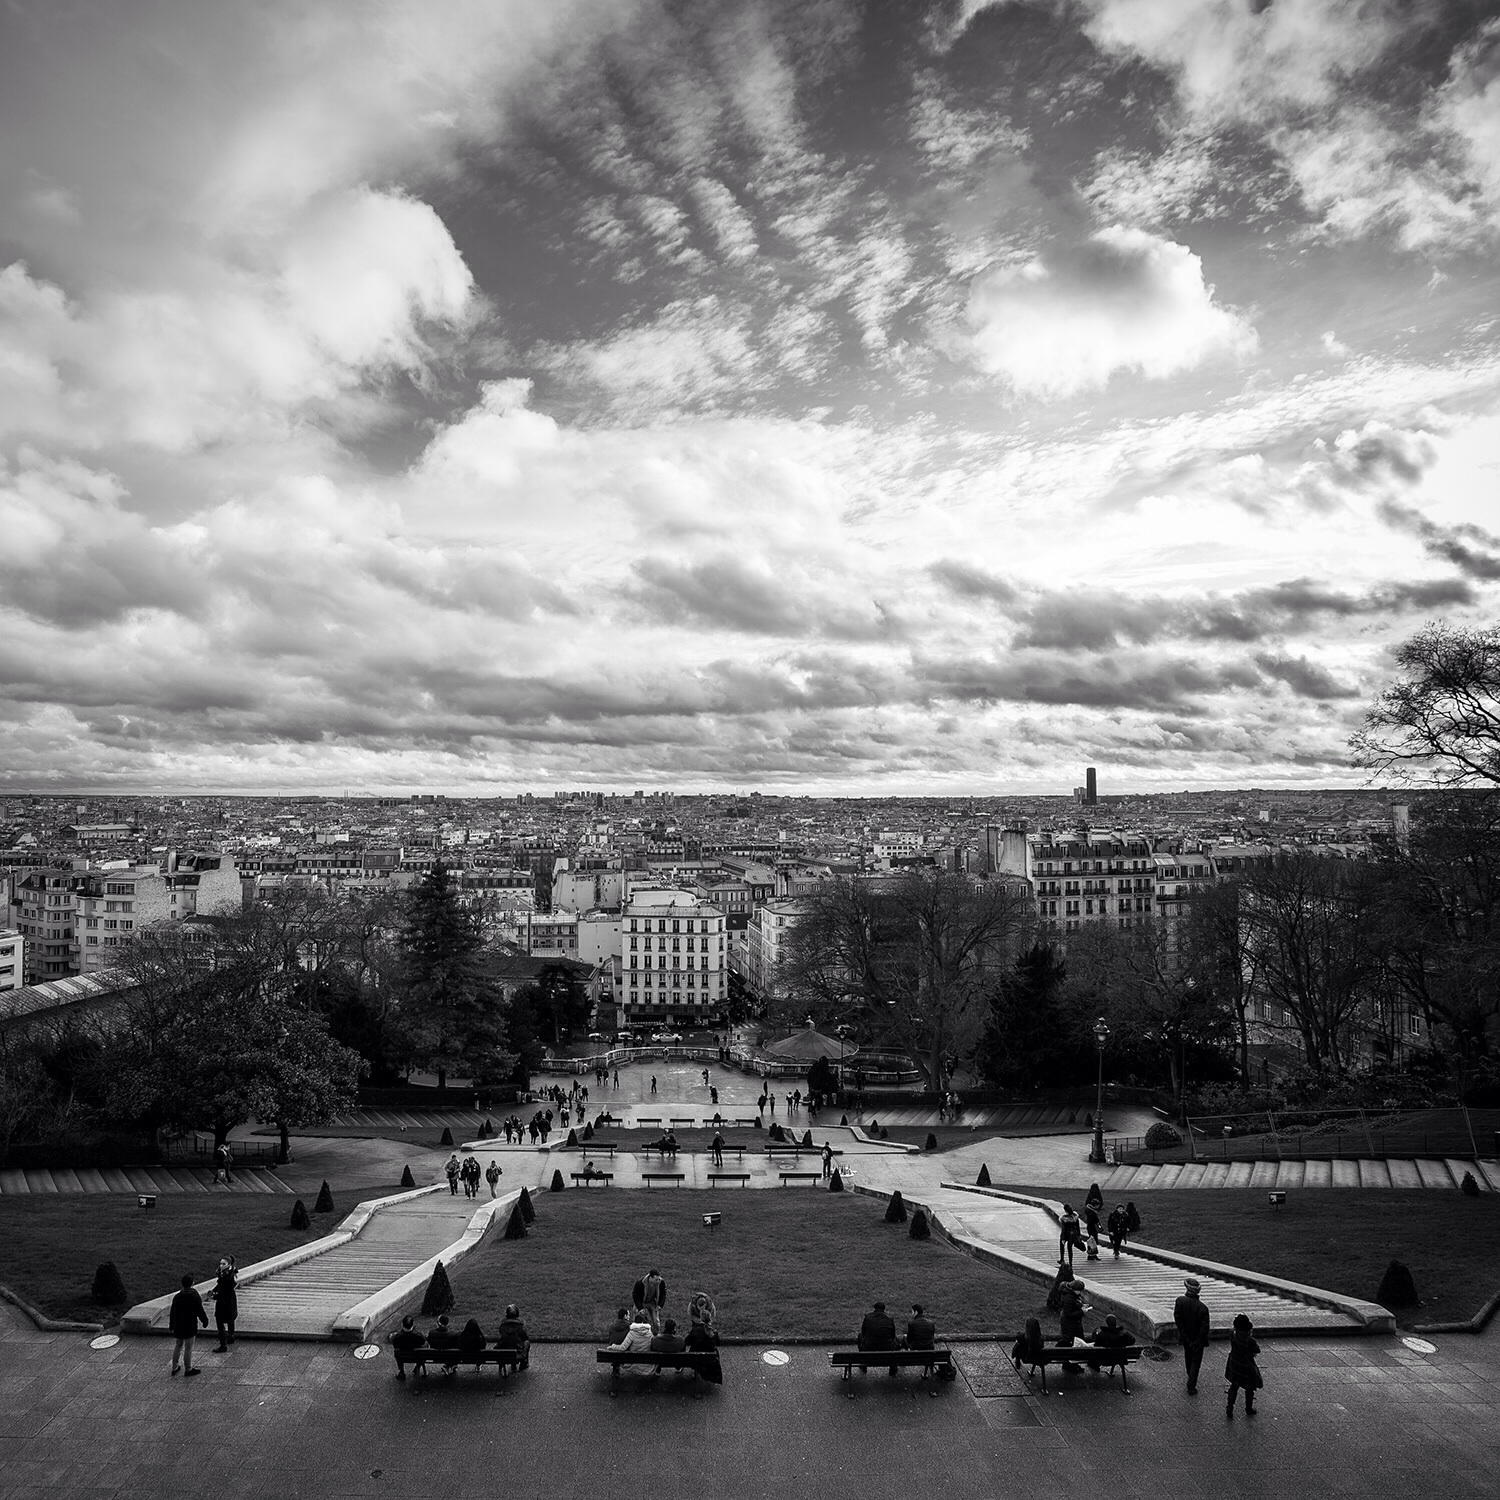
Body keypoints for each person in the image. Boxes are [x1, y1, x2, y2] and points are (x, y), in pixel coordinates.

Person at [1174, 1277, 1212, 1395]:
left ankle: (1190, 1376)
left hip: (1186, 1338)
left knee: (1188, 1357)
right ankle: (1191, 1384)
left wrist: (1185, 1336)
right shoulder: (1203, 1308)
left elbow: (1178, 1320)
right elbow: (1204, 1327)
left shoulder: (1180, 1301)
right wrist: (1198, 1341)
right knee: (1196, 1361)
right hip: (1197, 1340)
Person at [169, 1273, 208, 1377]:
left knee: (178, 1345)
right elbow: (200, 1311)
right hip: (189, 1325)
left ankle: (174, 1367)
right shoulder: (194, 1296)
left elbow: (173, 1312)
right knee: (188, 1347)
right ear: (192, 1284)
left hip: (179, 1325)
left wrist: (171, 1324)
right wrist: (205, 1321)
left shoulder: (177, 1296)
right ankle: (188, 1369)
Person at [1224, 1313, 1263, 1417]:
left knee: (1234, 1386)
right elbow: (1257, 1350)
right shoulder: (1250, 1341)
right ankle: (1248, 1408)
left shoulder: (1232, 1335)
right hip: (1246, 1367)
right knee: (1249, 1388)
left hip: (1234, 1363)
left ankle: (1230, 1407)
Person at [857, 1300, 898, 1374]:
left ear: (874, 1308)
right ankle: (893, 1368)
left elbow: (863, 1333)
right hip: (886, 1349)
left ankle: (863, 1364)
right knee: (895, 1340)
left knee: (860, 1335)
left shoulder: (868, 1317)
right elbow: (893, 1336)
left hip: (869, 1348)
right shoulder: (889, 1319)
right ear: (884, 1309)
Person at [1057, 1278, 1087, 1373]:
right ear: (1075, 1290)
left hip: (1073, 1324)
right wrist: (1082, 1311)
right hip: (1069, 1325)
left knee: (1076, 1342)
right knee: (1071, 1342)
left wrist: (1081, 1306)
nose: (1080, 1293)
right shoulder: (1068, 1298)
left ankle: (1074, 1364)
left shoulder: (1070, 1295)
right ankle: (1069, 1364)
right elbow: (1069, 1314)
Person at [210, 1256, 237, 1353]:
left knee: (220, 1322)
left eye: (223, 1264)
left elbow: (225, 1290)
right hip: (230, 1300)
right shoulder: (229, 1273)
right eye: (220, 1263)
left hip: (224, 1302)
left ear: (229, 1264)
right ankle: (230, 1336)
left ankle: (223, 1345)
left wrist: (215, 1296)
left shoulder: (226, 1276)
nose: (221, 1266)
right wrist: (215, 1290)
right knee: (230, 1319)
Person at [494, 1303, 530, 1368]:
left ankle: (513, 1364)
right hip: (518, 1352)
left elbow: (502, 1334)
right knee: (527, 1343)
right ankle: (523, 1363)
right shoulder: (520, 1325)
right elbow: (525, 1337)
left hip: (505, 1350)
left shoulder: (503, 1325)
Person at [391, 1315, 425, 1380]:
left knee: (397, 1353)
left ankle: (401, 1372)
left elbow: (395, 1346)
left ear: (403, 1324)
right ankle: (417, 1367)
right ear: (412, 1325)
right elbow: (423, 1342)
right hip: (417, 1356)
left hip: (402, 1357)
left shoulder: (398, 1336)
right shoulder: (418, 1335)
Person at [636, 1267, 667, 1333]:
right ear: (651, 1278)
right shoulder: (640, 1283)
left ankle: (657, 1335)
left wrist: (660, 1305)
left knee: (656, 1321)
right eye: (656, 1279)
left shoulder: (661, 1282)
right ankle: (636, 1333)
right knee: (637, 1319)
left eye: (659, 1279)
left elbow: (663, 1294)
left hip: (652, 1302)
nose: (658, 1281)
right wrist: (640, 1308)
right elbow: (635, 1296)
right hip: (642, 1302)